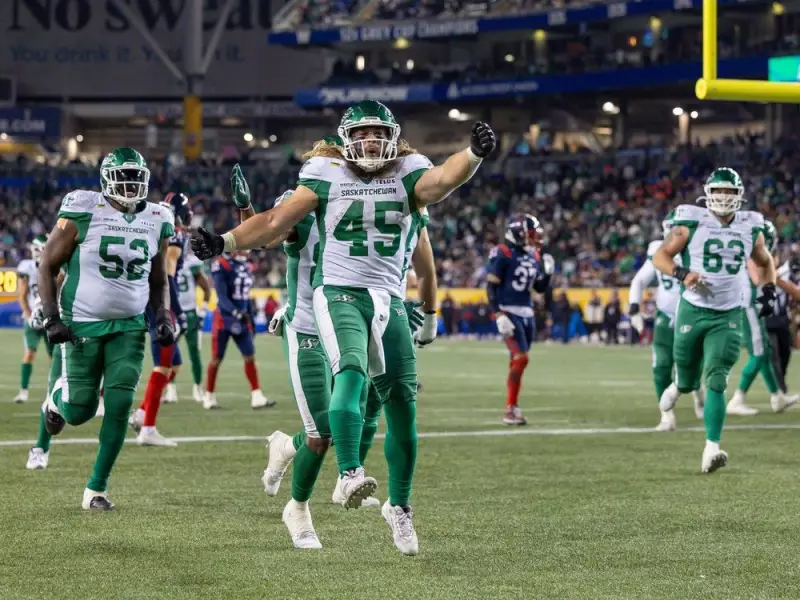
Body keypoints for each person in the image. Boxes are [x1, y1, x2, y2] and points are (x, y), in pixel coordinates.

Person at [192, 101, 496, 555]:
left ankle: (397, 504)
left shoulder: (409, 173)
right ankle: (332, 484)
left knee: (396, 402)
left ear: (392, 137)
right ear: (345, 141)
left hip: (384, 300)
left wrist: (472, 154)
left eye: (378, 133)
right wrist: (225, 239)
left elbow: (440, 184)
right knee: (334, 408)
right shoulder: (322, 179)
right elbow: (271, 227)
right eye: (362, 134)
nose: (370, 141)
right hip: (325, 303)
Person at [35, 147, 176, 509]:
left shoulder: (158, 217)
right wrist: (50, 316)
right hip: (81, 321)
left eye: (135, 177)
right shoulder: (84, 207)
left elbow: (159, 277)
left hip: (129, 326)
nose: (129, 185)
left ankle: (96, 489)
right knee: (79, 410)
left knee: (119, 403)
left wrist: (162, 315)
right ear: (106, 179)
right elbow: (47, 264)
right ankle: (55, 401)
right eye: (123, 177)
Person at [654, 168, 776, 473]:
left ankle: (712, 448)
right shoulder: (690, 222)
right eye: (718, 191)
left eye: (729, 192)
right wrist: (682, 273)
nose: (723, 197)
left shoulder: (751, 226)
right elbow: (661, 256)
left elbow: (765, 261)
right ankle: (679, 386)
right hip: (693, 309)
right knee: (687, 378)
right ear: (708, 193)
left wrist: (769, 289)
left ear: (739, 195)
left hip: (728, 313)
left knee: (717, 380)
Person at [629, 215, 705, 431]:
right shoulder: (657, 250)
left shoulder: (698, 250)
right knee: (661, 366)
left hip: (691, 316)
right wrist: (633, 308)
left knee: (690, 366)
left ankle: (699, 396)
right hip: (665, 316)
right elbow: (639, 280)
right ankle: (666, 415)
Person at [129, 192, 192, 447]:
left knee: (175, 364)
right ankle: (148, 429)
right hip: (158, 300)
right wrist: (176, 309)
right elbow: (167, 272)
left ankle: (142, 413)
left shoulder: (152, 223)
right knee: (163, 365)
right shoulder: (172, 232)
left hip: (144, 295)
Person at [486, 214, 553, 426]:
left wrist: (548, 273)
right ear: (518, 233)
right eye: (531, 234)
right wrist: (498, 314)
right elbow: (491, 286)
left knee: (518, 361)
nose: (535, 238)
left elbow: (539, 288)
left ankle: (513, 406)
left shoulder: (533, 255)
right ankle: (510, 409)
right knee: (521, 358)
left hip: (527, 312)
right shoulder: (503, 252)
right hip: (509, 311)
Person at [727, 221, 797, 415]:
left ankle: (777, 396)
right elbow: (758, 278)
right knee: (759, 354)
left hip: (751, 306)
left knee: (764, 353)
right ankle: (737, 399)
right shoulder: (751, 253)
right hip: (749, 306)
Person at [13, 235, 53, 404]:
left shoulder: (54, 265)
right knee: (29, 352)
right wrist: (29, 316)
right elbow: (22, 295)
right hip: (33, 317)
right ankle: (23, 391)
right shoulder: (27, 267)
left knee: (54, 357)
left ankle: (53, 392)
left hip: (51, 317)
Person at [167, 251, 210, 404]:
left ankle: (198, 388)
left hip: (190, 313)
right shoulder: (167, 259)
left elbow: (206, 287)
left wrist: (202, 310)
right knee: (169, 353)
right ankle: (171, 389)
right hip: (172, 313)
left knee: (194, 353)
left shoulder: (191, 262)